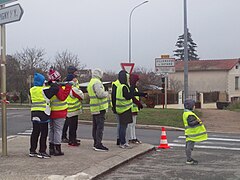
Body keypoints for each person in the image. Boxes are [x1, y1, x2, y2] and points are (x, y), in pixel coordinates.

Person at [48, 67, 72, 156]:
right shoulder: (57, 87)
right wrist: (68, 87)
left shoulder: (48, 87)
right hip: (59, 112)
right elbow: (62, 97)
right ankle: (57, 149)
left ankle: (51, 148)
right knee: (58, 131)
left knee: (52, 130)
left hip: (51, 112)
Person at [29, 73, 54, 159]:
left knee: (35, 132)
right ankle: (42, 151)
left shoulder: (32, 90)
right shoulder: (44, 90)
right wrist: (52, 82)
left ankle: (32, 150)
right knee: (44, 133)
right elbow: (55, 89)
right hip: (43, 113)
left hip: (34, 112)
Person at [87, 68, 109, 152]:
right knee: (100, 127)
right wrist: (106, 93)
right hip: (100, 107)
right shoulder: (97, 82)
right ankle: (98, 144)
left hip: (94, 107)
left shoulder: (91, 82)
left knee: (95, 126)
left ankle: (96, 143)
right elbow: (100, 94)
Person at [183, 99, 208, 165]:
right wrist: (197, 121)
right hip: (191, 133)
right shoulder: (189, 114)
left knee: (188, 146)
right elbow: (190, 123)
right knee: (189, 147)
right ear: (190, 106)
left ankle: (189, 158)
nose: (194, 107)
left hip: (190, 133)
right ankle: (189, 160)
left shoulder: (187, 113)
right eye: (193, 105)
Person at [115, 70, 134, 149]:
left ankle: (122, 141)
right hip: (125, 109)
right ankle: (123, 142)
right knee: (123, 127)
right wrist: (132, 91)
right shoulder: (124, 87)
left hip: (120, 108)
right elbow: (127, 96)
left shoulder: (119, 86)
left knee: (122, 126)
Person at [62, 66, 80, 143]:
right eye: (75, 71)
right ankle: (64, 137)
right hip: (69, 105)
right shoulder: (68, 80)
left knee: (69, 123)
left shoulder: (75, 80)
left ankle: (70, 137)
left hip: (72, 104)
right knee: (69, 123)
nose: (77, 72)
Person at [127, 74, 147, 144]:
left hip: (134, 108)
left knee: (133, 124)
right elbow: (133, 96)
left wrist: (143, 94)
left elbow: (135, 94)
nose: (138, 82)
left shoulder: (134, 87)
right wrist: (139, 103)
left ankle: (133, 137)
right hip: (131, 107)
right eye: (137, 81)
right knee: (131, 124)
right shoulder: (131, 87)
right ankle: (132, 138)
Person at [65, 73, 84, 146]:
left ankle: (71, 140)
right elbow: (81, 96)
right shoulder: (73, 88)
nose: (76, 79)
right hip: (74, 110)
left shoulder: (65, 87)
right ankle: (73, 141)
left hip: (68, 109)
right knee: (73, 127)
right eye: (74, 78)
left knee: (71, 127)